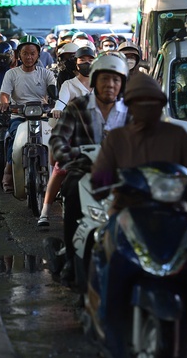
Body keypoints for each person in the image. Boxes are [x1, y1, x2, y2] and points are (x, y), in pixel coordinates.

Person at [89, 73, 187, 357]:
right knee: (109, 269)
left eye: (152, 102)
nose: (146, 106)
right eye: (139, 102)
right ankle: (111, 333)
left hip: (174, 218)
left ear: (161, 104)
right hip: (127, 216)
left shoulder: (176, 135)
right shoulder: (117, 138)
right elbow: (100, 176)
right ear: (129, 104)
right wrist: (105, 181)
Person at [47, 54, 132, 283]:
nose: (110, 85)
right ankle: (72, 262)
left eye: (116, 80)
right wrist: (72, 156)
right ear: (94, 80)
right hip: (84, 172)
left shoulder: (130, 111)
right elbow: (58, 140)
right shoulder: (77, 107)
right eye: (105, 79)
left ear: (123, 83)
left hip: (122, 176)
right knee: (72, 194)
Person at [37, 45, 97, 228]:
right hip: (75, 134)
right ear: (76, 63)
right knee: (60, 169)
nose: (86, 63)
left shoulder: (100, 83)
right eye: (82, 60)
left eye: (90, 60)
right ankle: (45, 210)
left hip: (98, 134)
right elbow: (61, 103)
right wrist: (57, 111)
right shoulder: (69, 84)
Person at [0, 35, 56, 192]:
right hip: (19, 115)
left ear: (38, 54)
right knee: (15, 140)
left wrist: (56, 103)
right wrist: (4, 102)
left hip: (42, 116)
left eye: (32, 53)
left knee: (55, 140)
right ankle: (8, 173)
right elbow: (4, 93)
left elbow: (54, 92)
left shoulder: (46, 74)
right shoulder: (12, 74)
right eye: (25, 53)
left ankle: (58, 176)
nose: (29, 57)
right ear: (19, 55)